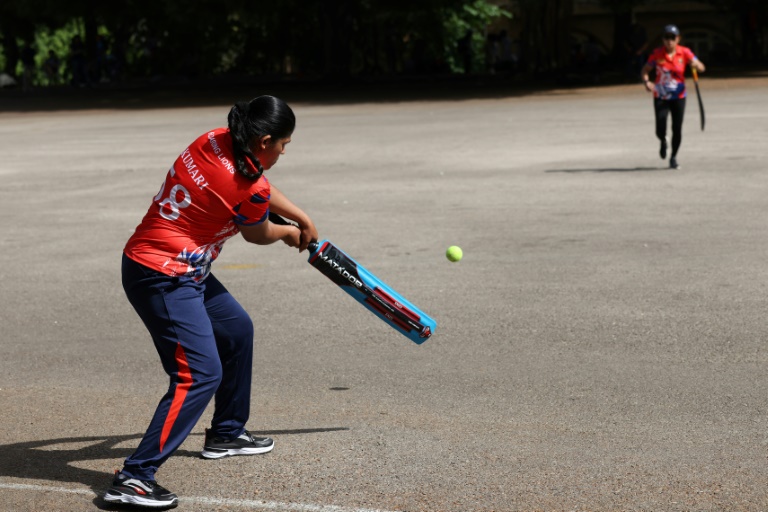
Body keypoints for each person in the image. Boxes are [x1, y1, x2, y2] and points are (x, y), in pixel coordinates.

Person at [103, 95, 318, 509]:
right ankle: (134, 477)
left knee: (236, 330)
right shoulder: (245, 185)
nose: (284, 152)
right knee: (198, 374)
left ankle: (227, 432)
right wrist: (290, 233)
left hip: (182, 268)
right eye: (283, 145)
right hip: (162, 276)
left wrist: (302, 216)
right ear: (264, 141)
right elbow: (257, 232)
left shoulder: (215, 140)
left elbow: (258, 188)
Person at [640, 24, 705, 169]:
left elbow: (701, 67)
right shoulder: (657, 54)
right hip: (661, 96)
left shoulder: (685, 52)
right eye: (666, 37)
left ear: (678, 39)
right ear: (662, 40)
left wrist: (696, 64)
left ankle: (674, 156)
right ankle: (663, 140)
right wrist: (646, 82)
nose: (669, 41)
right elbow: (645, 69)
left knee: (677, 128)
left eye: (672, 37)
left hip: (679, 96)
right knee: (660, 127)